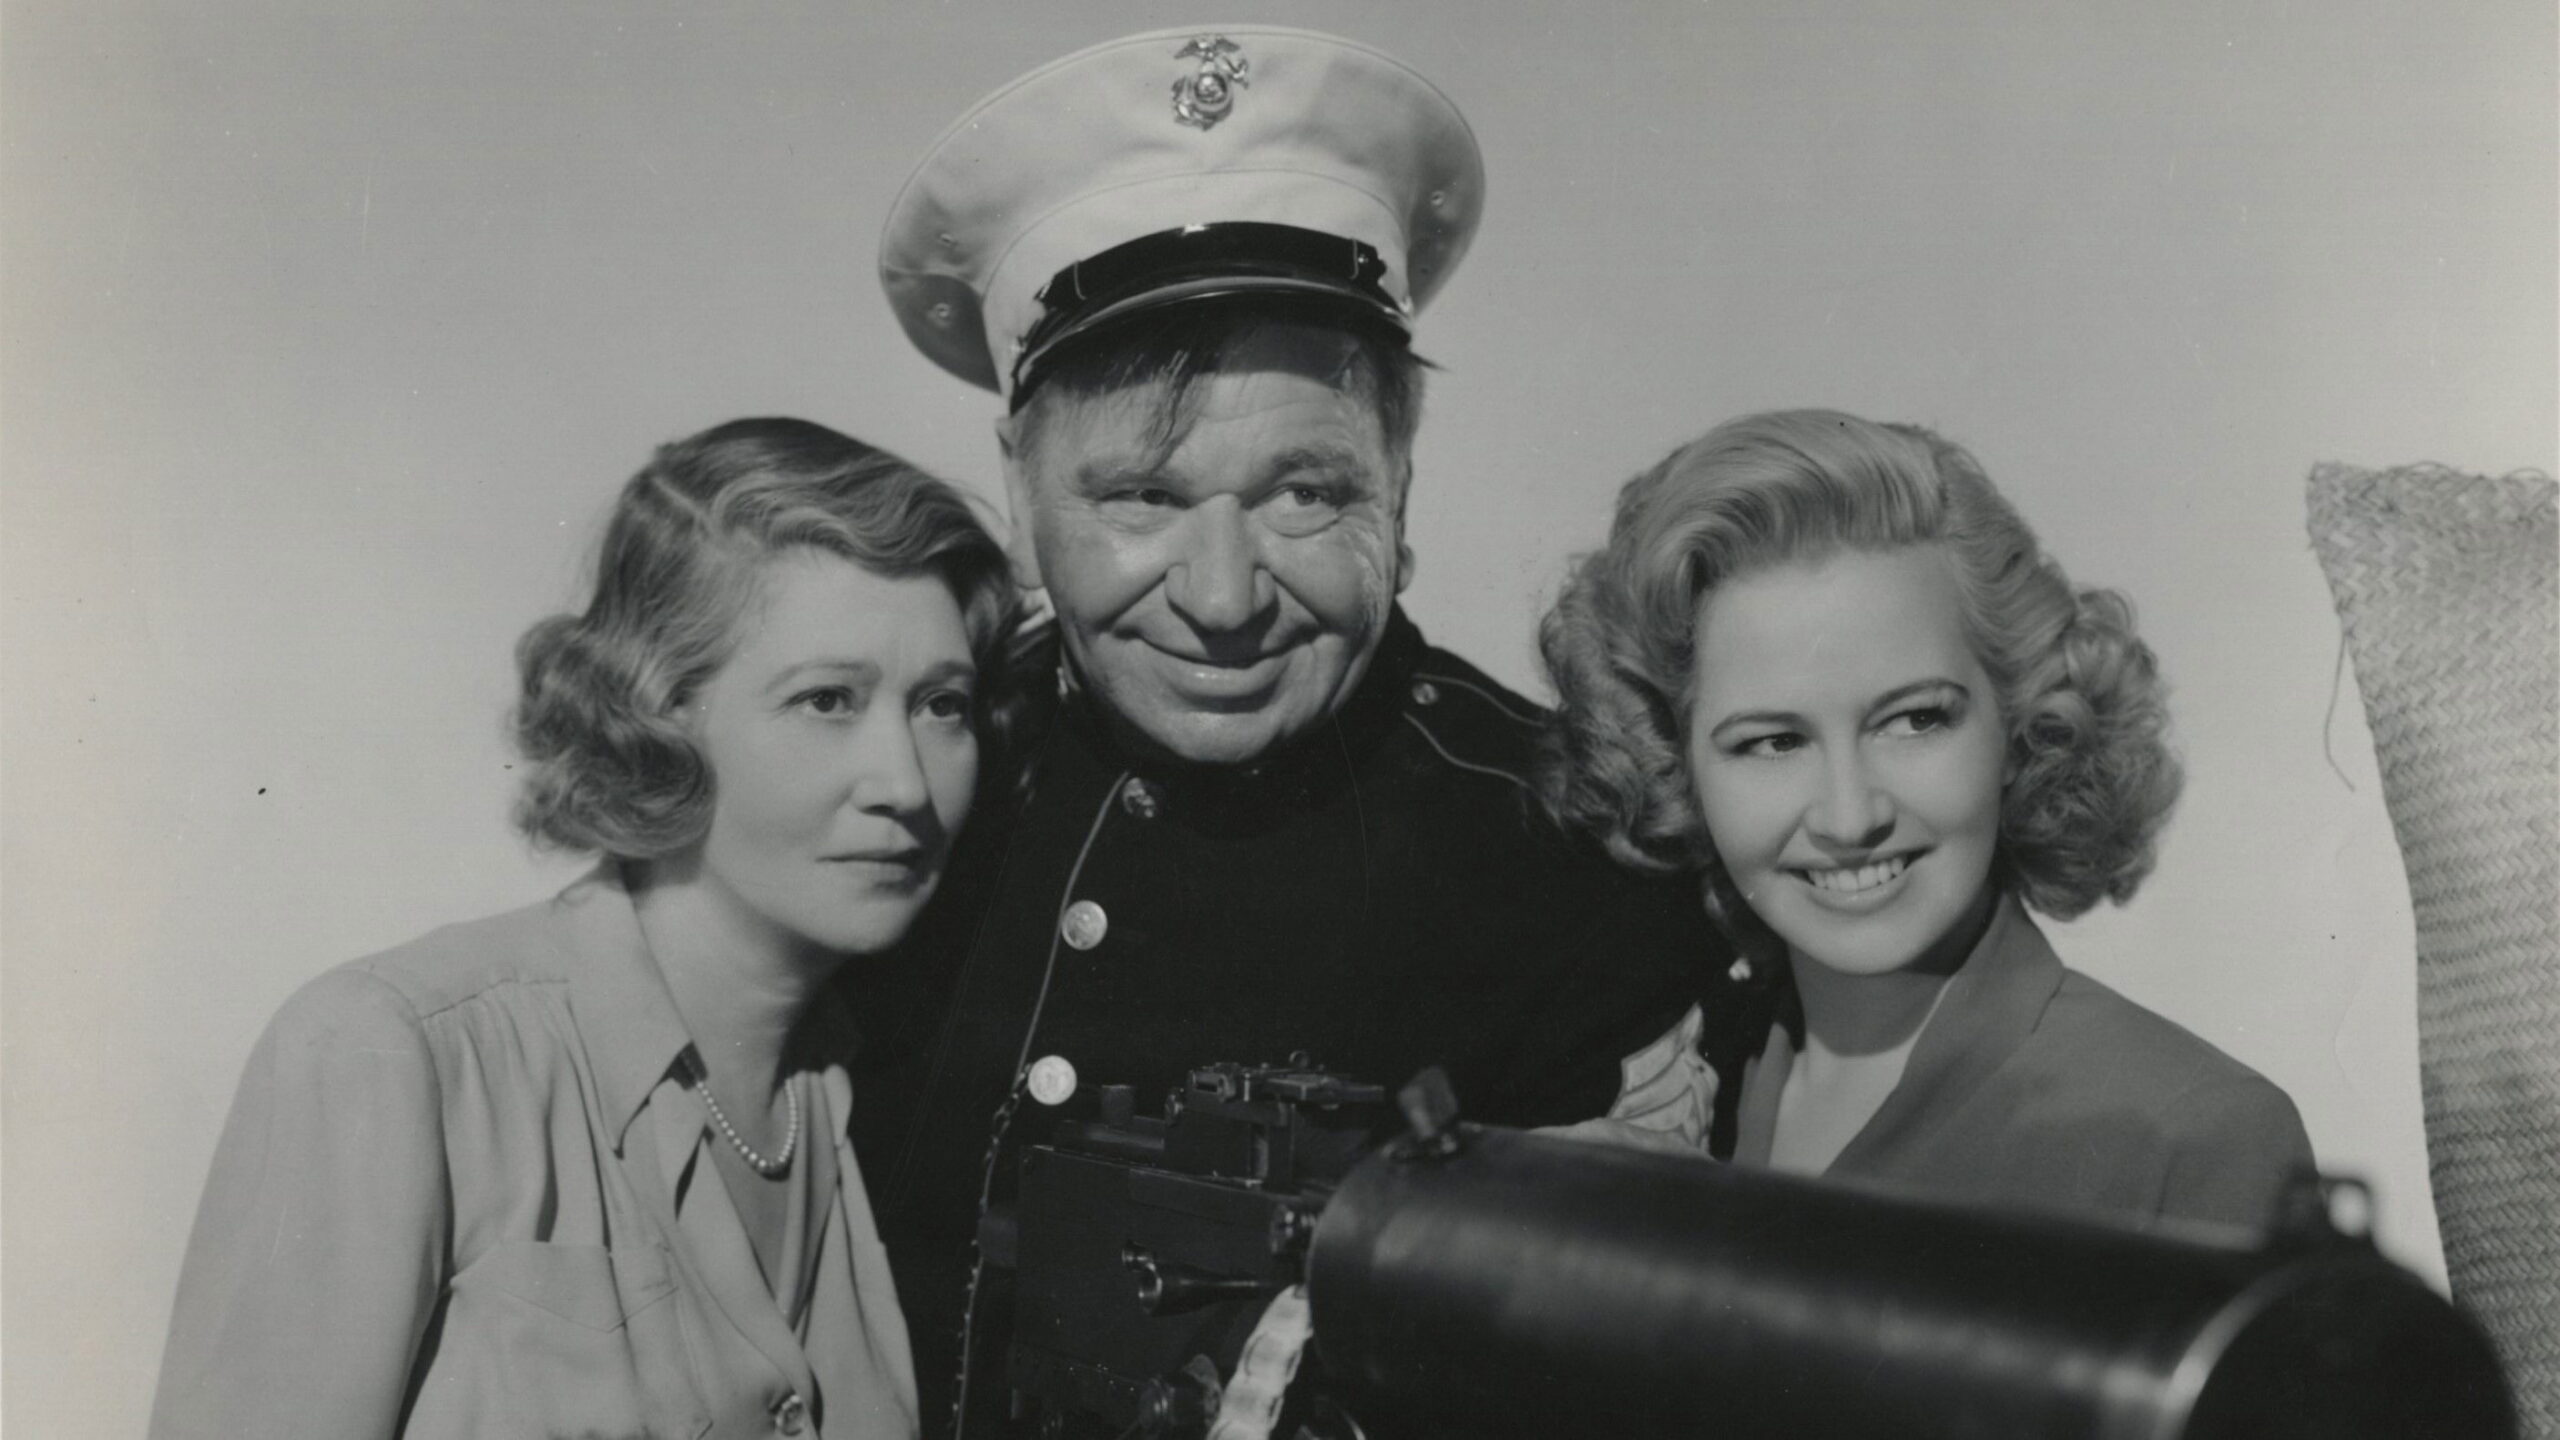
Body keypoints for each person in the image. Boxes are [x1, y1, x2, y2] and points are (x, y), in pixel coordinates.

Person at [862, 27, 1738, 1434]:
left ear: (1402, 484)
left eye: (1305, 494)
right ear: (1020, 501)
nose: (1222, 600)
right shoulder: (894, 781)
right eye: (1142, 497)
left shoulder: (1573, 856)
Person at [149, 419, 1021, 1440]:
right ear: (655, 714)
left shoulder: (873, 1095)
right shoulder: (393, 1054)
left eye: (941, 705)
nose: (905, 784)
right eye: (827, 700)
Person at [1537, 409, 2314, 1231]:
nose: (1850, 817)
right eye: (1772, 742)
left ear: (2023, 726)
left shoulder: (2191, 1141)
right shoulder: (1682, 1072)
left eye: (1914, 721)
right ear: (1676, 765)